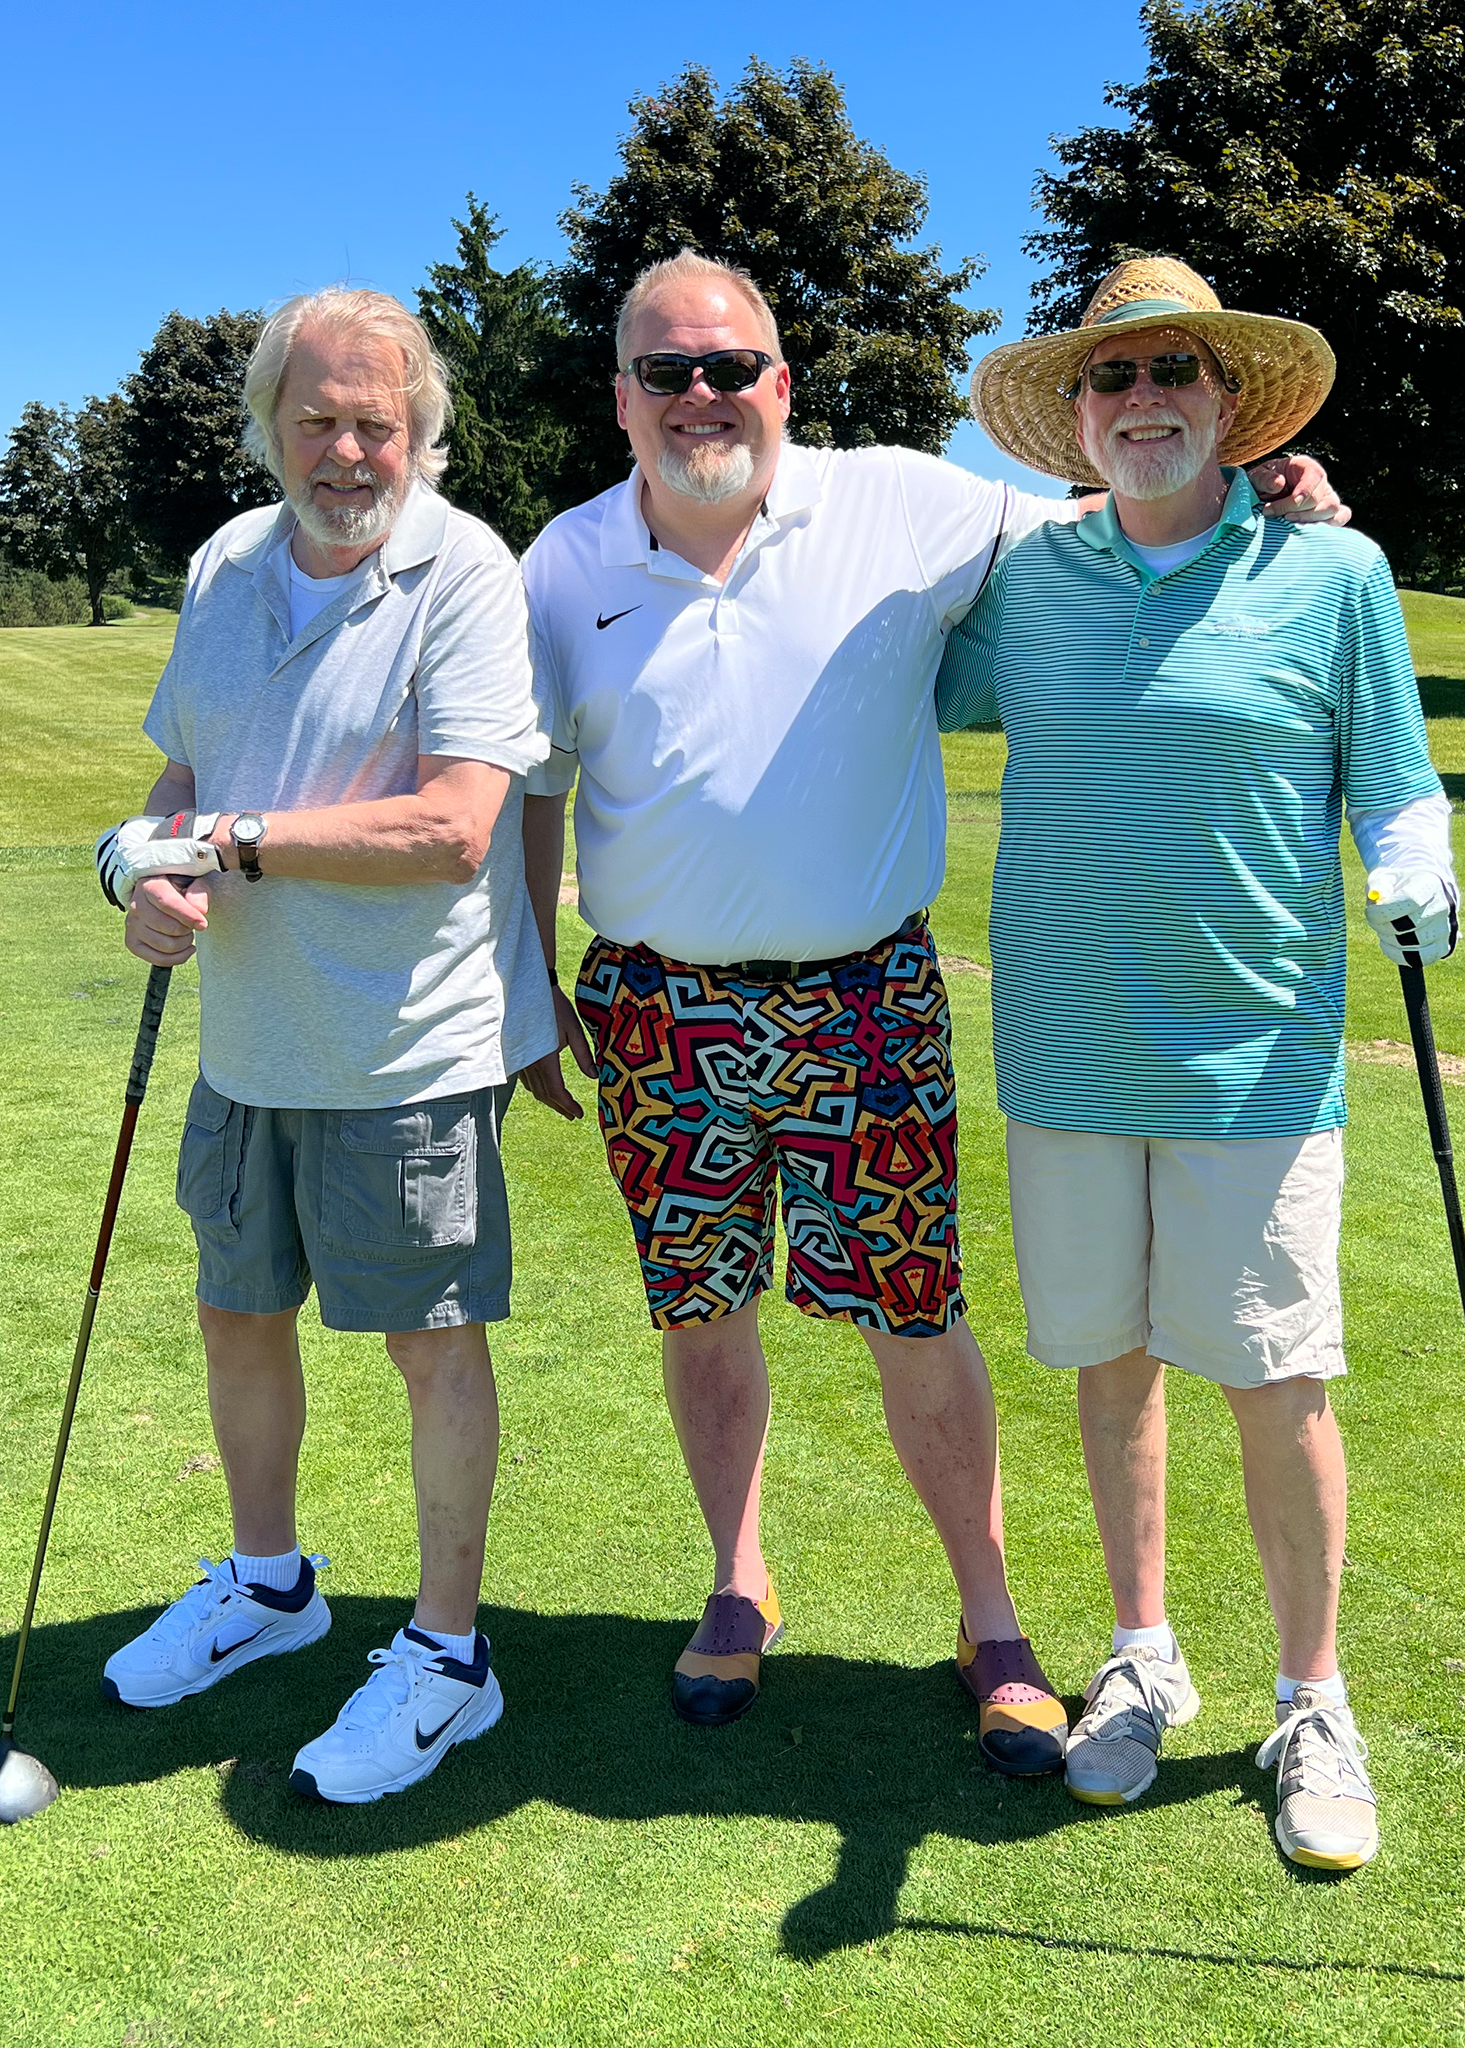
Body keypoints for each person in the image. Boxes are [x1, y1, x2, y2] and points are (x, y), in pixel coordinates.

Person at [518, 250, 1347, 1771]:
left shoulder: (905, 501)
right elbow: (536, 788)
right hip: (653, 1011)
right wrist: (527, 978)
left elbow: (1122, 516)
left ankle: (992, 1619)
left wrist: (1270, 488)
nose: (702, 395)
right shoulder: (561, 566)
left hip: (866, 1001)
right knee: (699, 1312)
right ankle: (736, 1583)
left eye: (730, 367)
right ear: (620, 396)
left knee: (916, 1312)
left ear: (780, 383)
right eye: (666, 371)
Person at [938, 256, 1459, 1868]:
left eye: (1175, 370)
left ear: (1230, 401)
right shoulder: (1031, 582)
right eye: (1112, 377)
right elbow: (902, 682)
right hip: (1067, 1051)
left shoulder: (1333, 569)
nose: (1143, 397)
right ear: (1078, 416)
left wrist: (1417, 863)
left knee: (1277, 1380)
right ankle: (1143, 1654)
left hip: (1255, 1057)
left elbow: (1394, 776)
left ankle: (1314, 1699)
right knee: (1111, 1368)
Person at [92, 286, 559, 1806]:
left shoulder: (464, 569)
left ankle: (448, 1657)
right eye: (318, 421)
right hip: (247, 1040)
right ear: (270, 427)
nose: (349, 451)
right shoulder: (228, 560)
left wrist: (225, 841)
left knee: (431, 1346)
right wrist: (138, 867)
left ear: (420, 429)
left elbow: (456, 826)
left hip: (403, 1048)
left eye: (378, 422)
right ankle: (269, 1583)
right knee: (238, 1314)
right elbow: (180, 777)